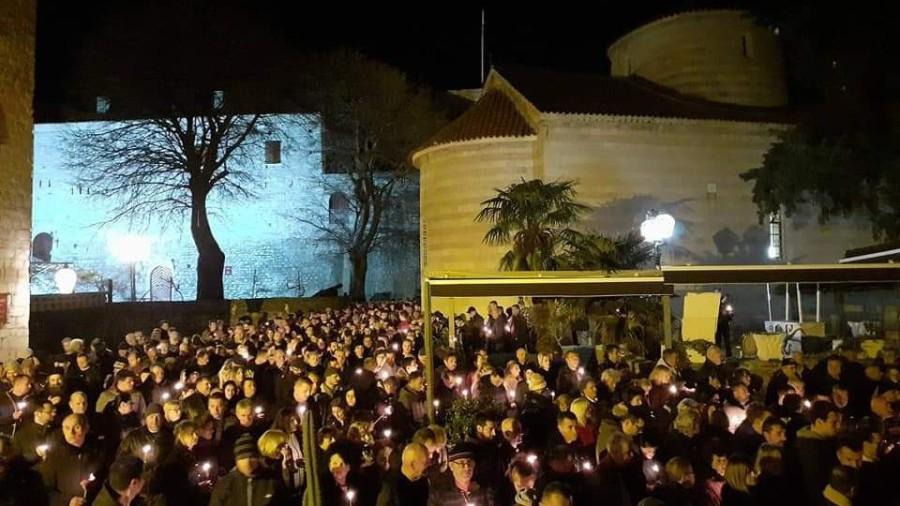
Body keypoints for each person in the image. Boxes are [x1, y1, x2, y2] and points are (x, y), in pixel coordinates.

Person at [39, 414, 105, 506]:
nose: (71, 432)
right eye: (67, 428)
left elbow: (105, 478)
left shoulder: (98, 452)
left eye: (77, 427)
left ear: (86, 428)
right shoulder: (55, 456)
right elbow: (45, 490)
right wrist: (68, 501)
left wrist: (93, 485)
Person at [209, 433, 287, 506]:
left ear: (257, 458)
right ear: (236, 461)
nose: (247, 462)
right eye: (243, 458)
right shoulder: (225, 485)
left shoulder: (272, 481)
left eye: (251, 457)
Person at [428, 442, 494, 506]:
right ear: (451, 466)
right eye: (461, 462)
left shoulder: (485, 492)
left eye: (469, 462)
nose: (466, 467)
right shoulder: (439, 495)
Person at [377, 442, 430, 506]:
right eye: (425, 462)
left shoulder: (423, 482)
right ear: (413, 464)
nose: (428, 465)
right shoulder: (390, 486)